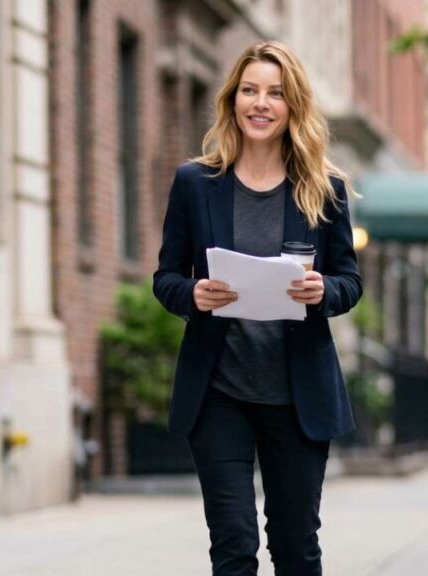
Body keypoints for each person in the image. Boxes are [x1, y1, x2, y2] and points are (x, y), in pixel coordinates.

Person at [153, 41, 361, 576]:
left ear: (293, 105)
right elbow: (167, 276)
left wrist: (324, 292)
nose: (260, 103)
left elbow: (349, 280)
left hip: (297, 396)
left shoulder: (324, 188)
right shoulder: (196, 184)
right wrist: (192, 296)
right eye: (249, 91)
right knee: (233, 544)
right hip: (220, 391)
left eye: (274, 93)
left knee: (295, 547)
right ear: (232, 100)